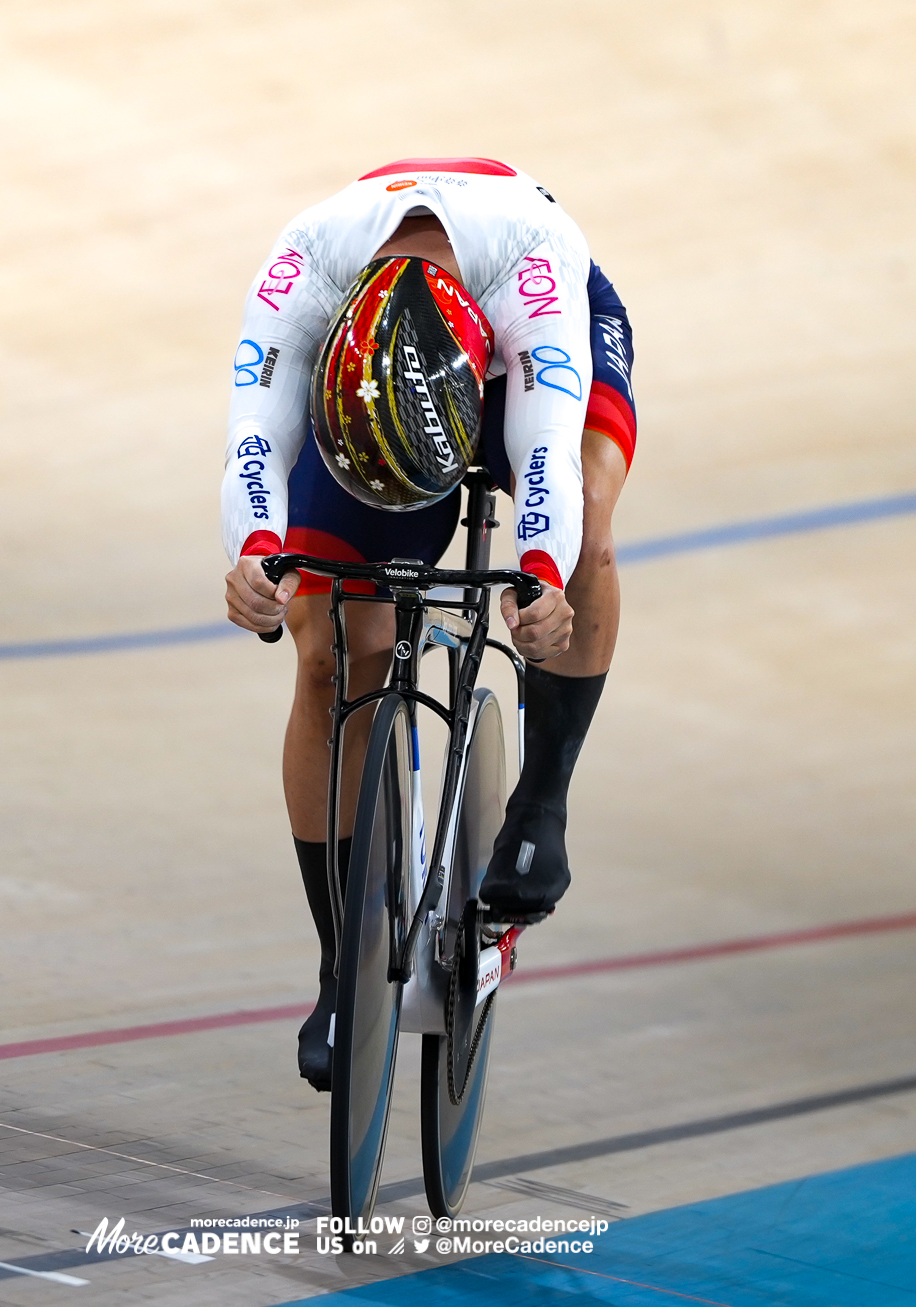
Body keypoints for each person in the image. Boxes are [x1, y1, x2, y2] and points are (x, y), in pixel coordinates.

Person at [218, 158, 637, 1091]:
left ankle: (544, 800)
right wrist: (255, 552)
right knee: (325, 651)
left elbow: (548, 464)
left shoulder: (532, 269)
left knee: (589, 543)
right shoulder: (305, 268)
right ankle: (341, 965)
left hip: (523, 339)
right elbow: (255, 438)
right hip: (381, 375)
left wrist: (537, 574)